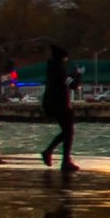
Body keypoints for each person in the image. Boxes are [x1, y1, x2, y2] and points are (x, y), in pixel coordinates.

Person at [40, 43, 80, 172]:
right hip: (61, 104)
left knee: (66, 131)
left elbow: (64, 81)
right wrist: (79, 74)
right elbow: (73, 85)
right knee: (69, 131)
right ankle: (64, 160)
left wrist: (72, 75)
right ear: (62, 58)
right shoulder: (60, 70)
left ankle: (50, 152)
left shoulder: (52, 68)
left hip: (51, 103)